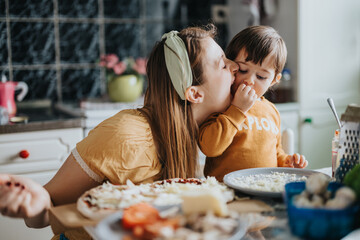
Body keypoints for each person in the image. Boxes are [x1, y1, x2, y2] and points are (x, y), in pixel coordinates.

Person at [0, 24, 239, 240]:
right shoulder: (125, 135)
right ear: (195, 94)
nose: (235, 66)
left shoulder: (214, 131)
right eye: (223, 64)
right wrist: (34, 202)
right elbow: (47, 210)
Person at [198, 25, 308, 181]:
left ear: (274, 81)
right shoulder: (220, 103)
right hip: (225, 191)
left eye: (261, 77)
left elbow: (276, 152)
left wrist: (286, 162)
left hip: (263, 189)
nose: (249, 81)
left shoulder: (271, 111)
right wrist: (237, 109)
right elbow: (210, 148)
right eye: (243, 70)